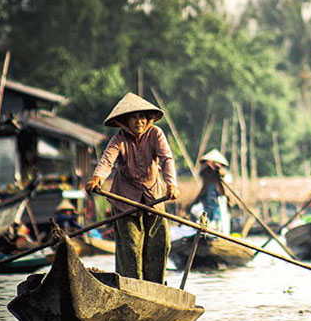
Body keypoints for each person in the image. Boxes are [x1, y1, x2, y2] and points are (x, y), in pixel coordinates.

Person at [85, 93, 179, 284]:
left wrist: (171, 185)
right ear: (125, 121)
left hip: (154, 197)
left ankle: (155, 286)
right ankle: (131, 286)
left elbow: (166, 159)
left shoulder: (156, 134)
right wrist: (97, 179)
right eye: (134, 117)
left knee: (160, 244)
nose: (139, 122)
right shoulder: (119, 139)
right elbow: (107, 160)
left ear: (148, 119)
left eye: (142, 117)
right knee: (130, 247)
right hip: (125, 200)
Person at [190, 149, 231, 234]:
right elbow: (204, 187)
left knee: (218, 218)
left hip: (218, 198)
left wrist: (218, 170)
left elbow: (225, 182)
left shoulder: (221, 172)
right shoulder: (206, 172)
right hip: (207, 197)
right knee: (203, 214)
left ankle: (217, 233)